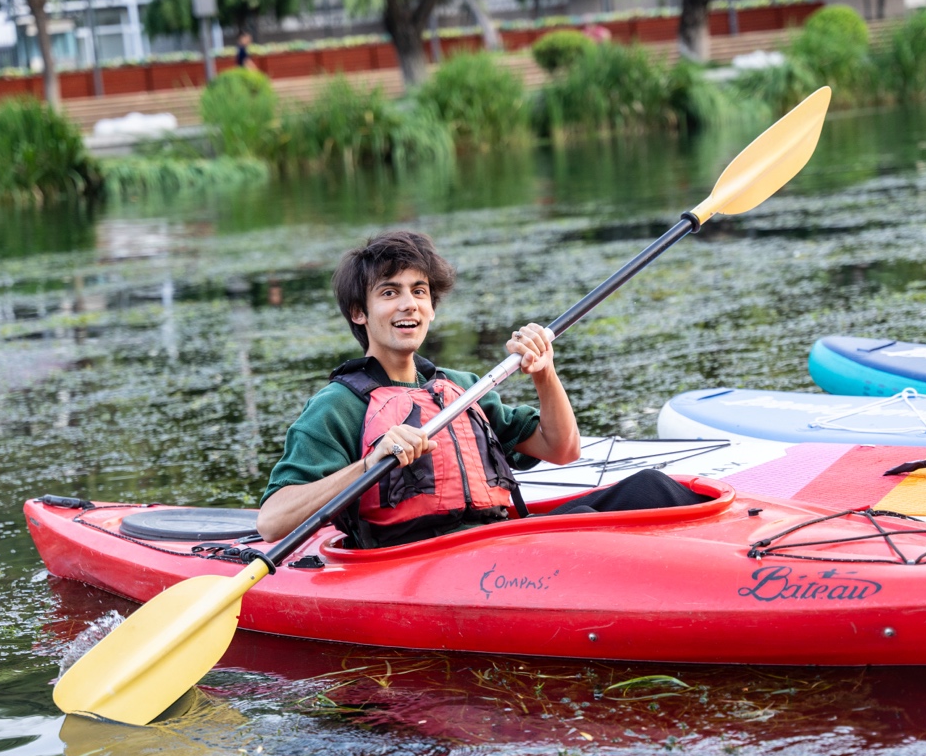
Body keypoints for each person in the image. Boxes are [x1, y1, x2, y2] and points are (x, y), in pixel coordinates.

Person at [256, 230, 709, 549]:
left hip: (497, 539)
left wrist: (543, 373)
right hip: (422, 559)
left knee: (652, 489)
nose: (409, 303)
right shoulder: (339, 405)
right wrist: (368, 463)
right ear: (360, 312)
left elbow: (563, 448)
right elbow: (273, 520)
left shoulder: (461, 388)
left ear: (432, 306)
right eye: (389, 293)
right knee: (585, 530)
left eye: (419, 291)